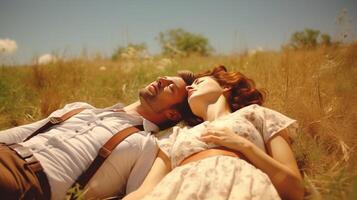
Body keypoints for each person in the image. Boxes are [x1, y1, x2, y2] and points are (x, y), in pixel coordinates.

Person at [0, 73, 194, 200]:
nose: (162, 79)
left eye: (171, 87)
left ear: (173, 115)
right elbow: (22, 132)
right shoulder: (80, 107)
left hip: (26, 183)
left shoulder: (145, 145)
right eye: (166, 77)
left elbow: (138, 195)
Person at [123, 66, 304, 200]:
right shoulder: (178, 133)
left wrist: (244, 146)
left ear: (225, 86)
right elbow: (146, 190)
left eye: (198, 82)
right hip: (176, 192)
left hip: (241, 189)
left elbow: (294, 189)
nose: (188, 88)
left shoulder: (258, 114)